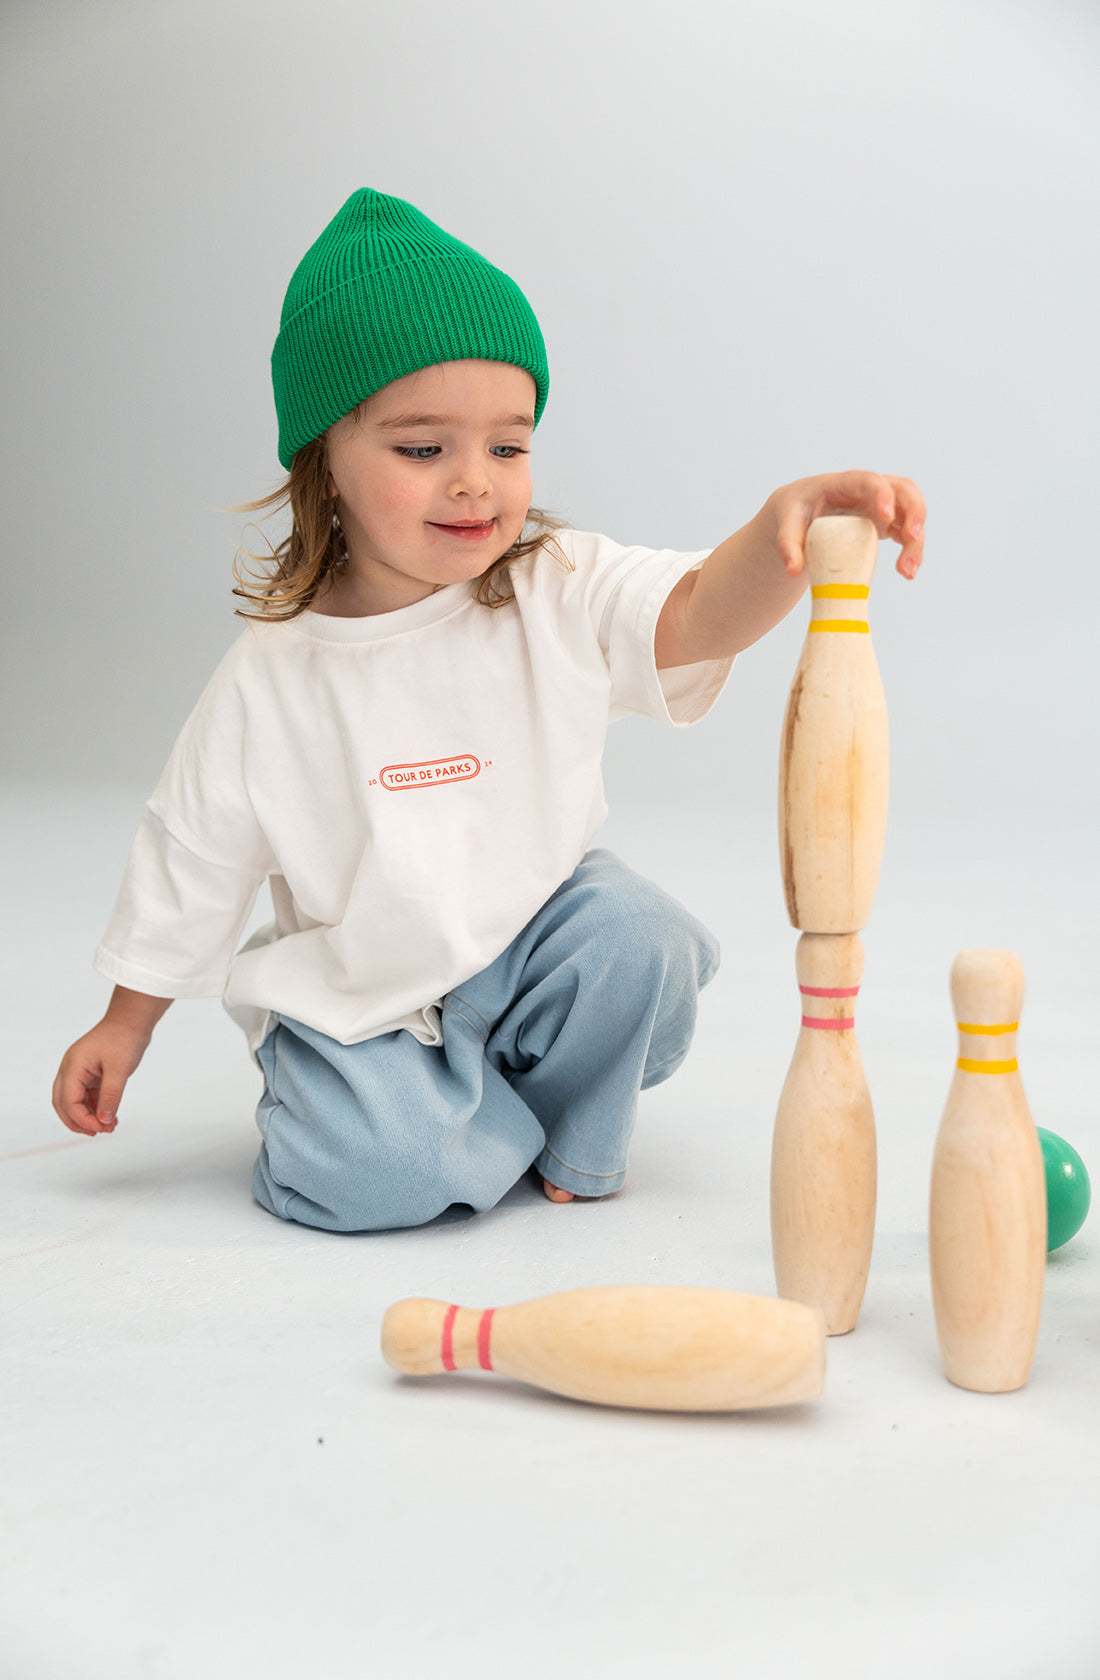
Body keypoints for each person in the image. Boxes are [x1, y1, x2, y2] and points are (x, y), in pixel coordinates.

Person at [50, 188, 925, 1232]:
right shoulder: (272, 677)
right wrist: (125, 1022)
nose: (475, 484)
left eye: (507, 447)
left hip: (528, 955)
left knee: (640, 936)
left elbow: (694, 613)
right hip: (364, 1003)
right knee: (370, 1180)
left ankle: (532, 1121)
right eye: (422, 449)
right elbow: (190, 854)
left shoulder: (551, 584)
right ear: (322, 462)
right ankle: (420, 1124)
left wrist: (781, 531)